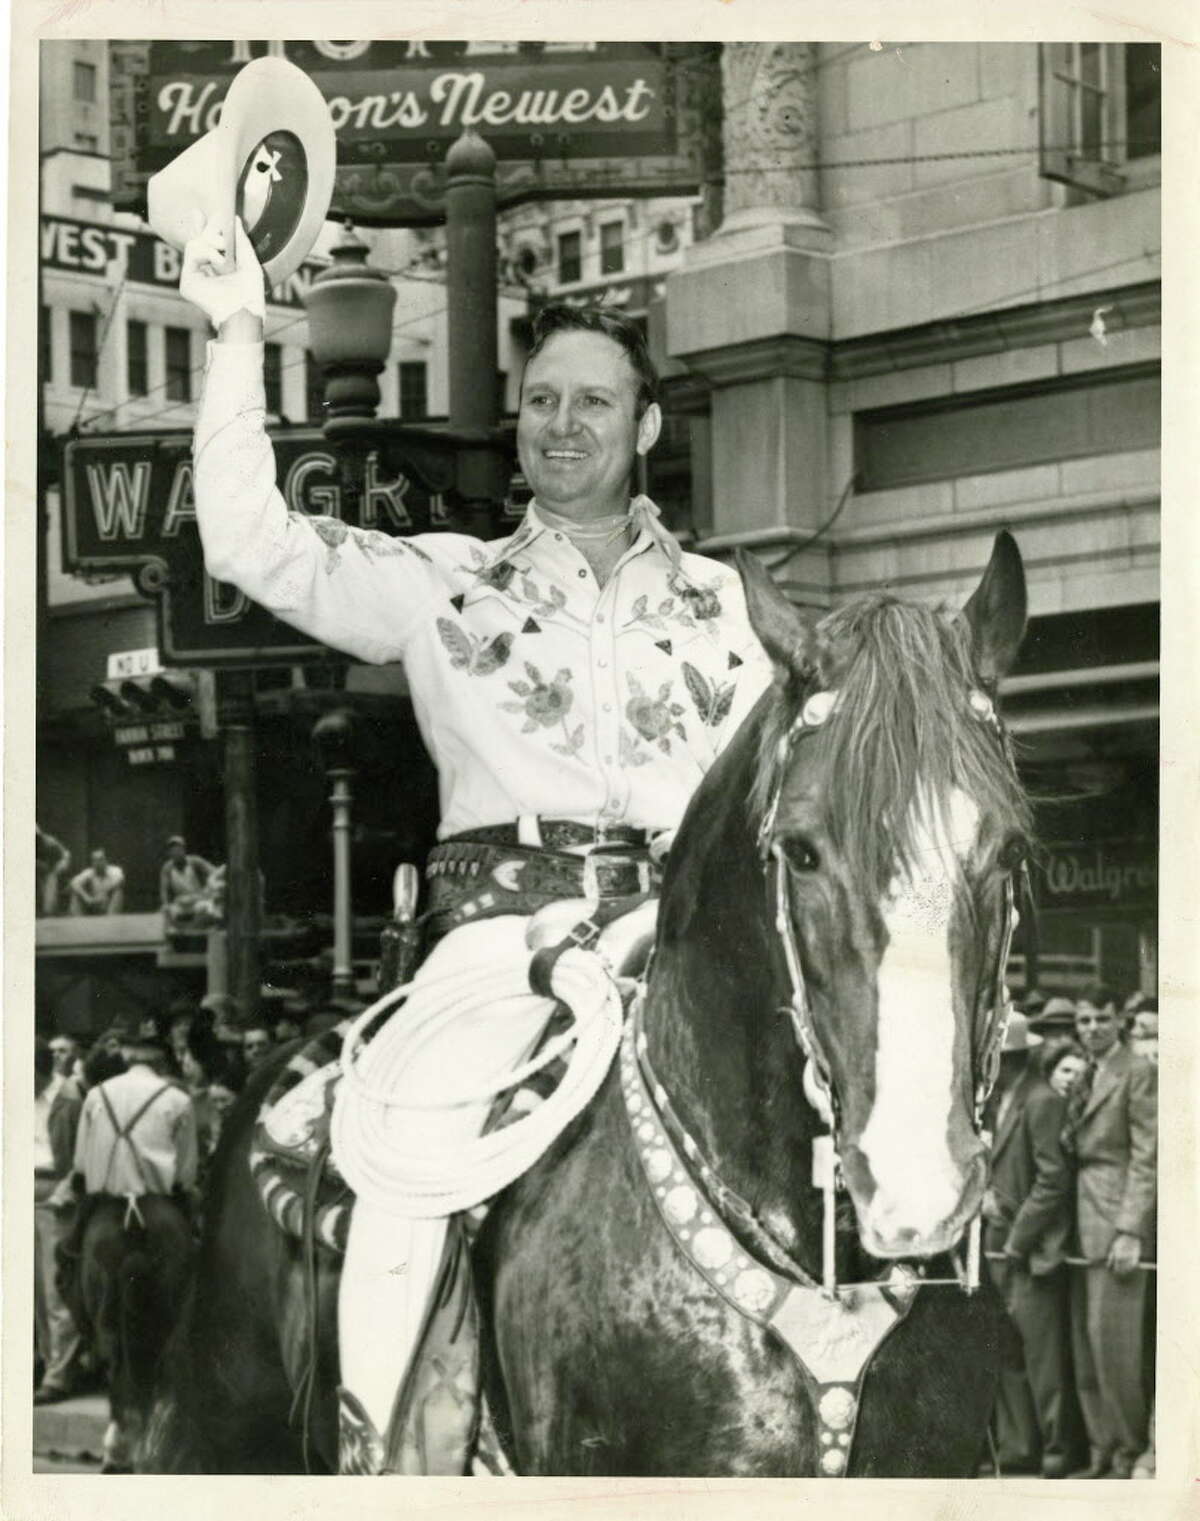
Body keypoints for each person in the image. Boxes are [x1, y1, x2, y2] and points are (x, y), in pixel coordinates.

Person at [180, 217, 773, 1473]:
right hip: (502, 952)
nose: (562, 423)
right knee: (406, 1153)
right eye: (540, 400)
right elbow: (252, 543)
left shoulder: (734, 607)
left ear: (647, 427)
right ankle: (391, 1453)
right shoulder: (450, 583)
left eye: (594, 401)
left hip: (689, 941)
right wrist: (236, 330)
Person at [1067, 988, 1157, 1478]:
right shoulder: (1087, 1071)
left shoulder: (1139, 1072)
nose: (1093, 1027)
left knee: (1115, 1347)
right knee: (1086, 1345)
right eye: (1084, 1020)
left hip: (1113, 1217)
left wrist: (1130, 1230)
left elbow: (1147, 1157)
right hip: (1077, 1219)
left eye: (1102, 1018)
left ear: (1120, 1020)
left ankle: (1127, 1450)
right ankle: (1101, 1451)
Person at [981, 1013, 1075, 1477]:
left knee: (1042, 1355)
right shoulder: (1005, 1100)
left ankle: (1057, 1448)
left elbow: (1053, 1180)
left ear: (1006, 1057)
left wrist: (1019, 1238)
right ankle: (1021, 1446)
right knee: (1010, 1350)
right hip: (1003, 1246)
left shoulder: (1041, 1101)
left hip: (1029, 1250)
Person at [33, 1039, 85, 1404]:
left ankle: (60, 1373)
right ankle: (46, 1360)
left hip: (55, 1187)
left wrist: (63, 1195)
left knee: (55, 1286)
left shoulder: (68, 1098)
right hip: (23, 1182)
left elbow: (76, 1158)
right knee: (33, 1287)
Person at [159, 836, 217, 926]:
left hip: (198, 901)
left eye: (178, 849)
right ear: (169, 853)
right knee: (167, 913)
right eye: (172, 850)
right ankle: (176, 935)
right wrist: (165, 904)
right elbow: (164, 889)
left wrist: (209, 888)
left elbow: (214, 872)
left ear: (184, 850)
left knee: (207, 910)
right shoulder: (167, 868)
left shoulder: (195, 862)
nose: (176, 853)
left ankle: (197, 930)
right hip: (181, 904)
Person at [67, 849, 126, 916]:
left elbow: (120, 880)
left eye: (100, 859)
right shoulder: (89, 872)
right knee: (75, 894)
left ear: (106, 860)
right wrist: (87, 897)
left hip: (108, 903)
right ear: (92, 862)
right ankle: (78, 922)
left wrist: (105, 894)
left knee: (118, 892)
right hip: (93, 904)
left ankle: (111, 920)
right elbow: (73, 883)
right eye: (95, 860)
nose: (98, 862)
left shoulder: (114, 870)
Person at [36, 825, 72, 916]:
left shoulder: (49, 842)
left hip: (53, 867)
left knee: (51, 878)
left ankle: (48, 910)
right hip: (39, 867)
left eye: (37, 836)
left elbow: (65, 854)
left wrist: (63, 862)